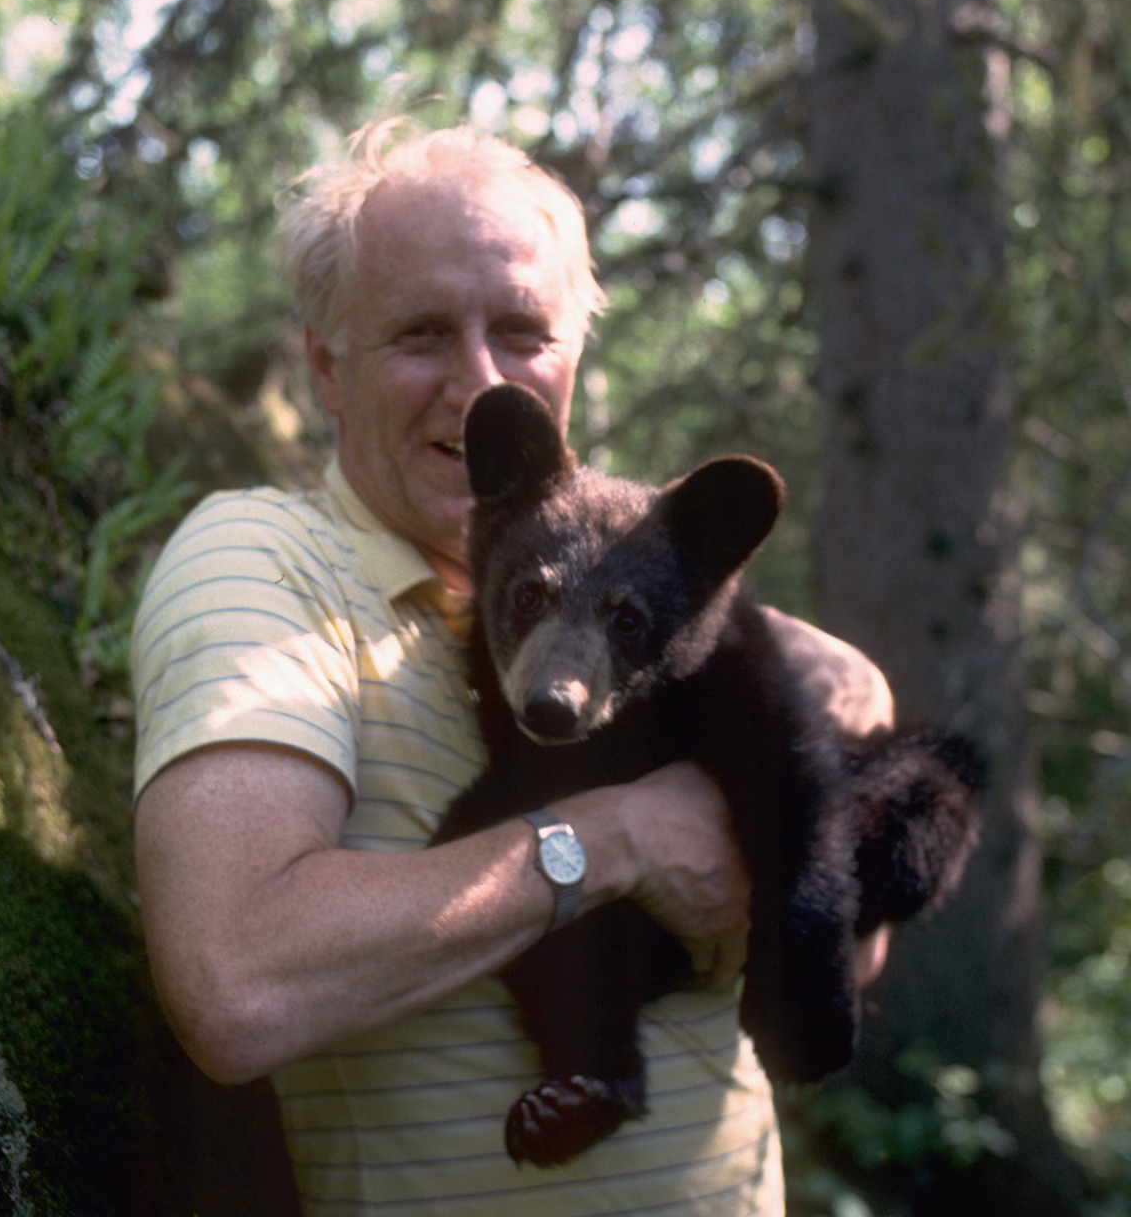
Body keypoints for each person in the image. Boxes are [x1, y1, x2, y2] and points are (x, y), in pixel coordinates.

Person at [131, 120, 894, 1216]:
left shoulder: (643, 595)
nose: (477, 379)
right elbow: (236, 981)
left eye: (523, 331)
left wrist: (824, 742)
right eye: (419, 332)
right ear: (323, 364)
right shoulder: (263, 566)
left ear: (575, 355)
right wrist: (618, 838)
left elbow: (836, 965)